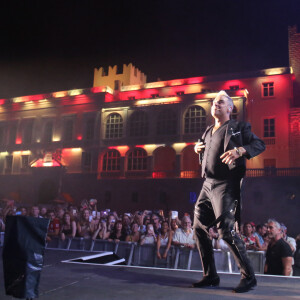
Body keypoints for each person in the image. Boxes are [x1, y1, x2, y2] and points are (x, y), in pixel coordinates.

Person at [193, 90, 265, 293]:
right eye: (214, 102)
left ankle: (249, 277)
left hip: (226, 184)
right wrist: (198, 149)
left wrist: (240, 150)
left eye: (221, 102)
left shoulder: (239, 127)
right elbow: (207, 154)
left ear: (230, 108)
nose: (215, 104)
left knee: (226, 231)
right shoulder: (207, 131)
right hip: (207, 184)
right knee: (199, 228)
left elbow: (259, 144)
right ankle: (210, 276)